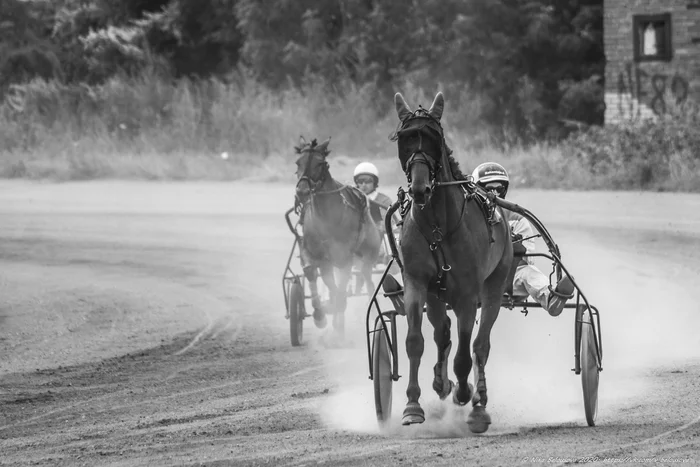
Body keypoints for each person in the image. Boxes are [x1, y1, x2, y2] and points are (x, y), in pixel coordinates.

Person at [471, 162, 575, 317]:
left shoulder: (517, 220)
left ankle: (551, 299)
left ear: (504, 190)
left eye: (499, 189)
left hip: (510, 279)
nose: (494, 193)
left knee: (529, 273)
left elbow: (527, 259)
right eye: (489, 189)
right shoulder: (466, 218)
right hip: (474, 281)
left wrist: (510, 244)